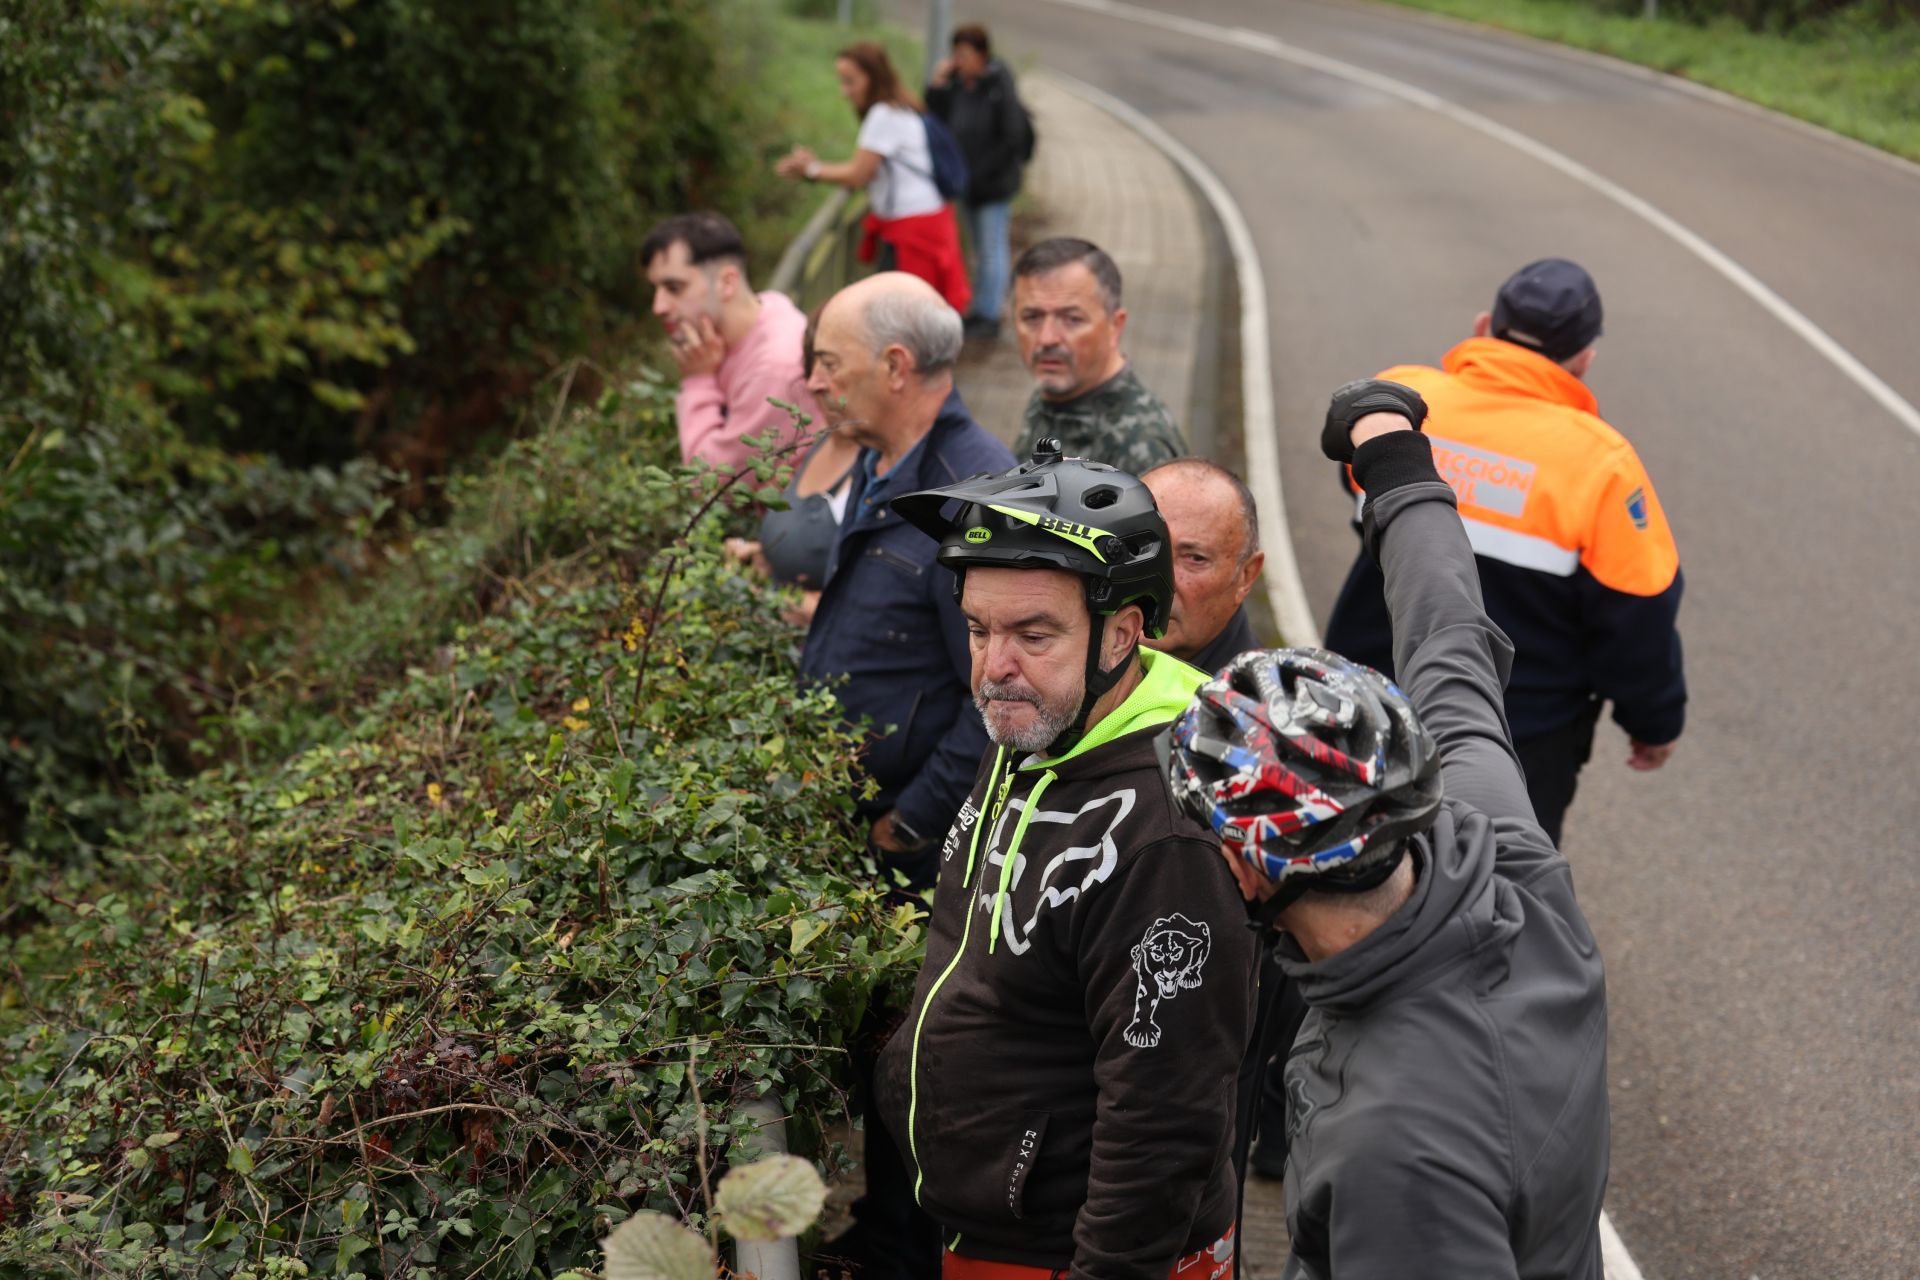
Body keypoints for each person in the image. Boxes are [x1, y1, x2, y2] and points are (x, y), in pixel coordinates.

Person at [1169, 378, 1611, 1279]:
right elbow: (1446, 630)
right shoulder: (1500, 851)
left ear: (1251, 874)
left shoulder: (1399, 1148)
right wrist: (1393, 458)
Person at [874, 444, 1254, 1280]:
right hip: (986, 1221)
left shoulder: (1165, 833)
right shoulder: (1041, 721)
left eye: (1032, 633)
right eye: (978, 629)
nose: (993, 666)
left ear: (1122, 633)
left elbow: (1168, 1114)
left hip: (1074, 1251)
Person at [800, 273, 1013, 1280]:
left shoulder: (967, 497)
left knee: (914, 1064)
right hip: (876, 834)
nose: (811, 381)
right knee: (888, 1058)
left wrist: (906, 823)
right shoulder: (894, 467)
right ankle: (884, 1237)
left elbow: (998, 697)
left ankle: (905, 1253)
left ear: (895, 366)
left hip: (915, 850)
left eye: (827, 362)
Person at [1321, 258, 1686, 846]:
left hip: (1363, 703)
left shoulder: (1402, 402)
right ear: (1584, 358)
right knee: (1496, 898)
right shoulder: (1602, 464)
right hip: (1514, 742)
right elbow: (1637, 618)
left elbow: (1356, 485)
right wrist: (1653, 724)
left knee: (1340, 868)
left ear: (1485, 323)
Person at [777, 43, 971, 315]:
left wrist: (810, 170)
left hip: (913, 231)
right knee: (915, 313)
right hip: (925, 222)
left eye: (850, 82)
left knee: (907, 316)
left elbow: (858, 174)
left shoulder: (884, 114)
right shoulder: (900, 106)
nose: (844, 92)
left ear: (872, 77)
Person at [642, 211, 815, 473]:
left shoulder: (775, 369)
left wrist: (698, 380)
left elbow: (710, 481)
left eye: (674, 288)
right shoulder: (764, 313)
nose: (658, 307)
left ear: (726, 283)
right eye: (655, 289)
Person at [725, 306, 860, 625]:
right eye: (811, 364)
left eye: (831, 365)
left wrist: (767, 598)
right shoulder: (824, 440)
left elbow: (865, 612)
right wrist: (763, 564)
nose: (813, 383)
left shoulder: (881, 465)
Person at [1012, 237, 1186, 473]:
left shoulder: (1141, 448)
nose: (1046, 338)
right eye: (1032, 317)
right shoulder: (1055, 391)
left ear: (1115, 325)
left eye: (1072, 319)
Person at [926, 23, 1033, 342]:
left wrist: (985, 174)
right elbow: (936, 120)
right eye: (956, 55)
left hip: (993, 185)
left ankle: (989, 314)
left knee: (992, 248)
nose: (960, 61)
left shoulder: (998, 85)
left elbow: (1012, 136)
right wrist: (938, 85)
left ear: (982, 55)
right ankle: (980, 309)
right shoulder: (958, 86)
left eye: (966, 55)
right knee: (979, 248)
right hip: (969, 185)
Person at [1141, 458, 1265, 677]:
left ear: (1246, 576)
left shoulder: (1246, 705)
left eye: (1195, 559)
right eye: (1141, 546)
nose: (1157, 581)